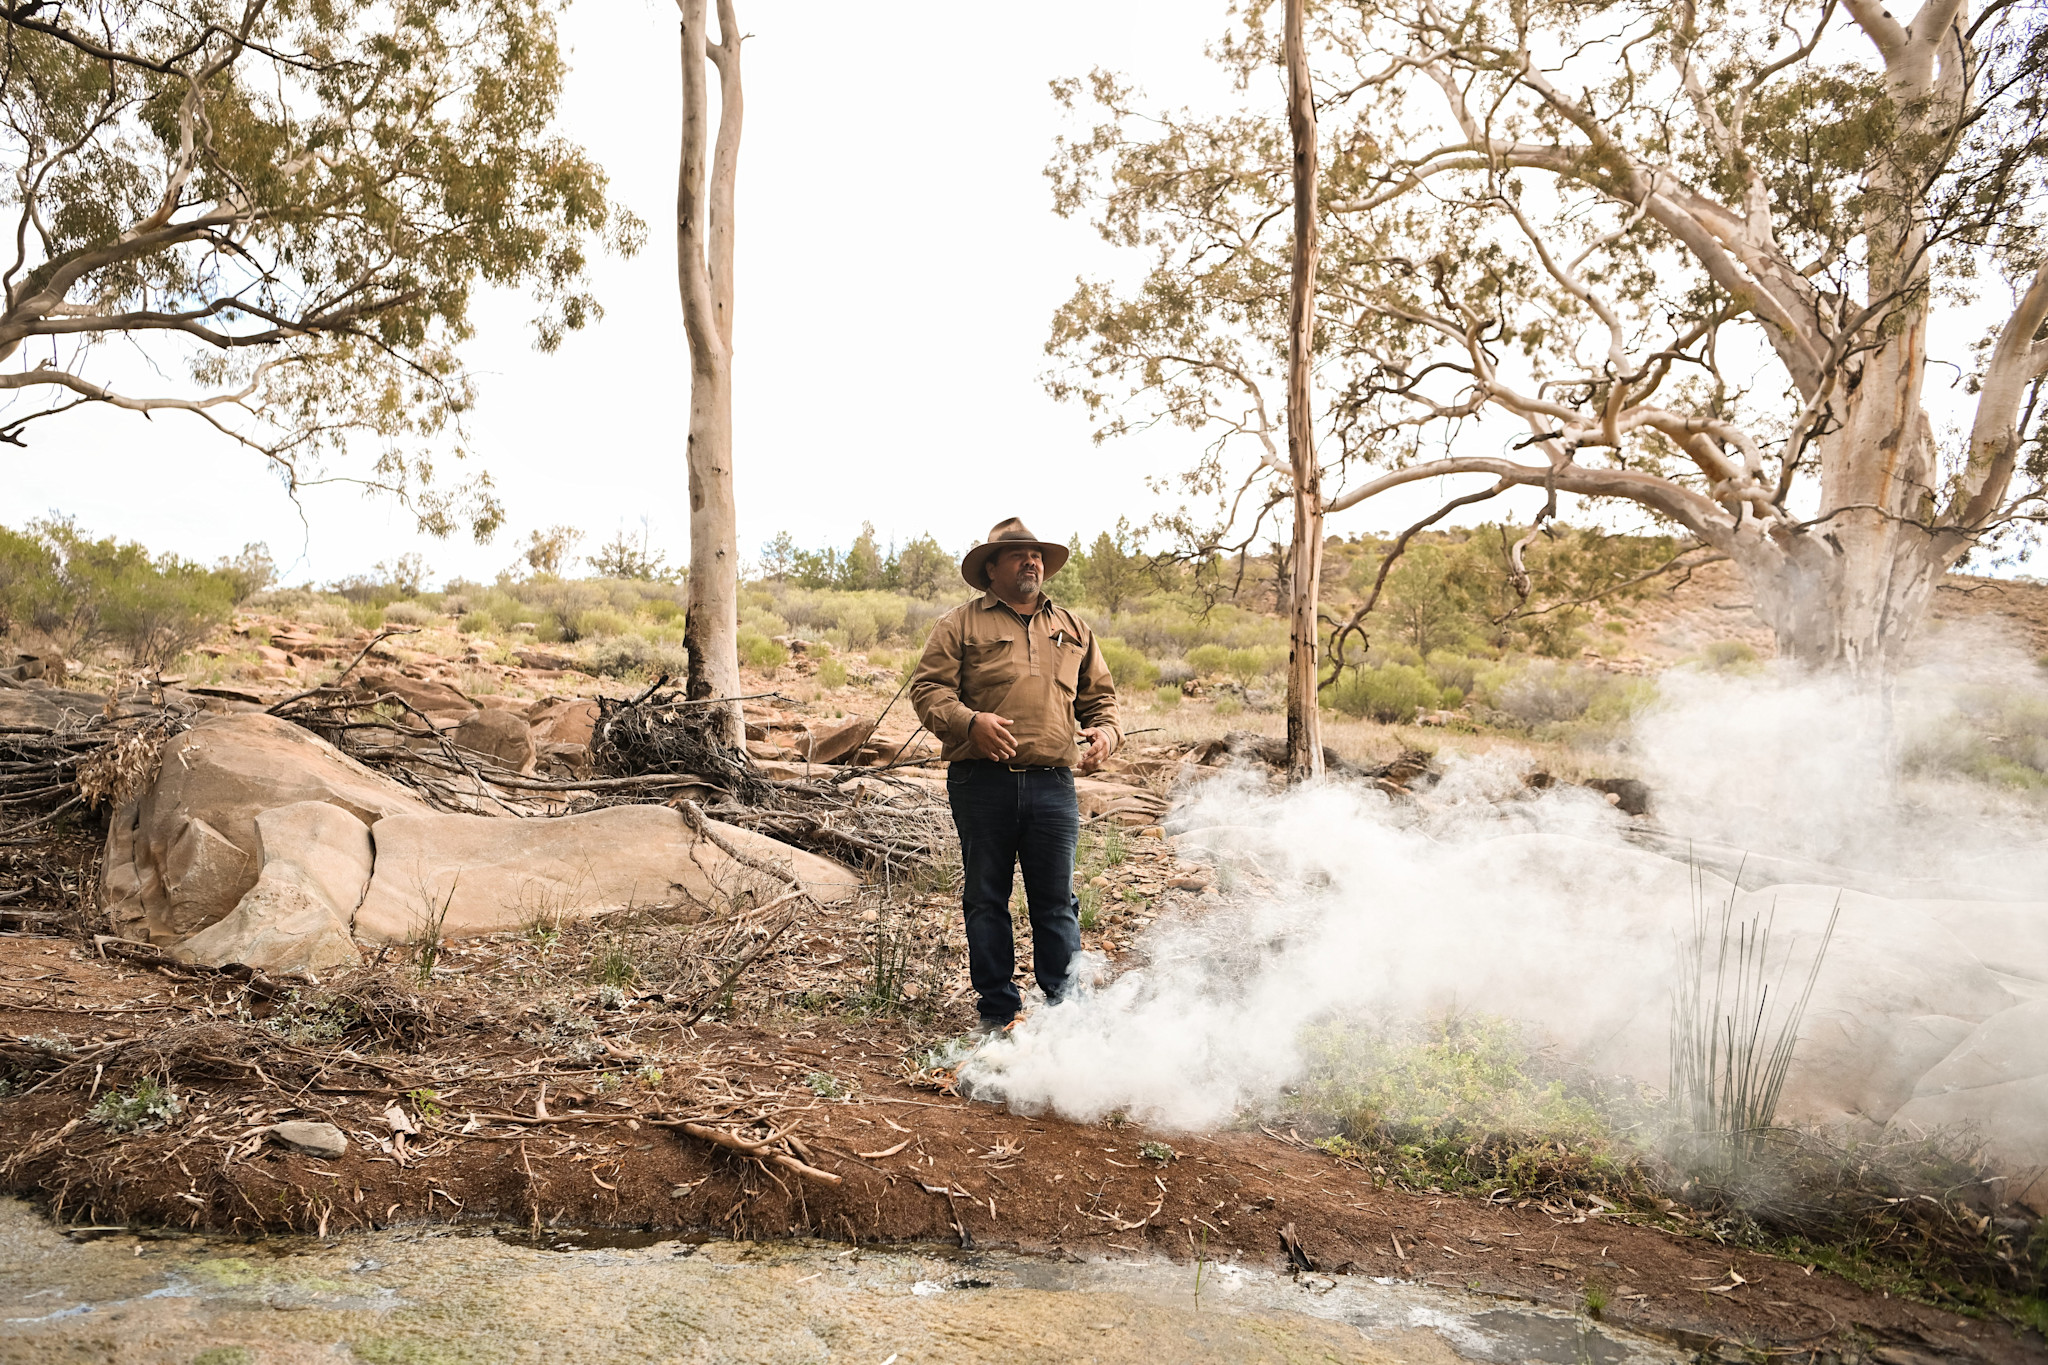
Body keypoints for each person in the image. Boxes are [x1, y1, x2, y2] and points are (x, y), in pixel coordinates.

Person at [911, 517, 1121, 1033]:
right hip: (981, 782)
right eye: (1018, 555)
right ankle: (998, 1014)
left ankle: (1065, 1014)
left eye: (1038, 555)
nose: (1033, 562)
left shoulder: (1072, 627)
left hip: (1054, 784)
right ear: (991, 568)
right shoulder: (959, 624)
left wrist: (1107, 735)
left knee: (1056, 903)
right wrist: (969, 722)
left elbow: (1102, 700)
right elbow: (928, 691)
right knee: (986, 898)